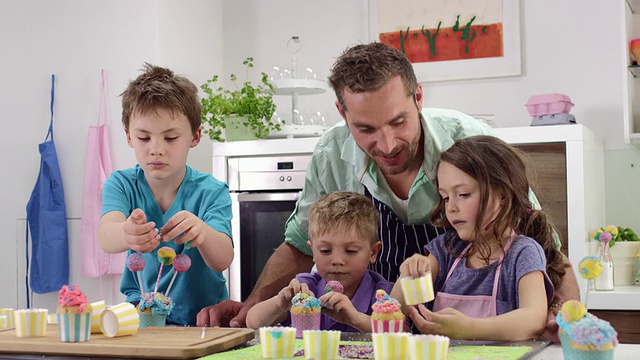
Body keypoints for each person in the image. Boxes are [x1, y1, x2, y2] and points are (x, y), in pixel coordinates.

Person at [197, 42, 579, 341]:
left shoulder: (472, 146)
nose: (388, 143)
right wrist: (249, 308)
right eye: (366, 129)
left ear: (418, 97)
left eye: (399, 121)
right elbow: (299, 247)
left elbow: (545, 249)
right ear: (342, 113)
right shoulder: (332, 155)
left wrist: (567, 319)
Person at [98, 64, 234, 326]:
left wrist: (202, 232)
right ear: (128, 137)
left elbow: (223, 259)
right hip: (142, 322)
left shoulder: (212, 191)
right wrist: (126, 232)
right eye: (144, 137)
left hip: (204, 322)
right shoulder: (122, 184)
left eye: (170, 138)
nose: (156, 149)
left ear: (195, 136)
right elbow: (106, 235)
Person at [391, 135, 563, 341]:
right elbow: (395, 308)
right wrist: (409, 276)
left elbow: (532, 319)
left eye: (463, 194)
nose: (451, 208)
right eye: (445, 197)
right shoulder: (445, 250)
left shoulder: (523, 253)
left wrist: (469, 328)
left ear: (503, 196)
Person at [246, 191, 395, 332]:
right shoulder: (306, 288)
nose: (337, 261)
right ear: (313, 251)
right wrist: (279, 304)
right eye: (325, 250)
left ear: (373, 252)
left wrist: (355, 319)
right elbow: (253, 322)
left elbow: (400, 333)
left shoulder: (382, 295)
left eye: (350, 251)